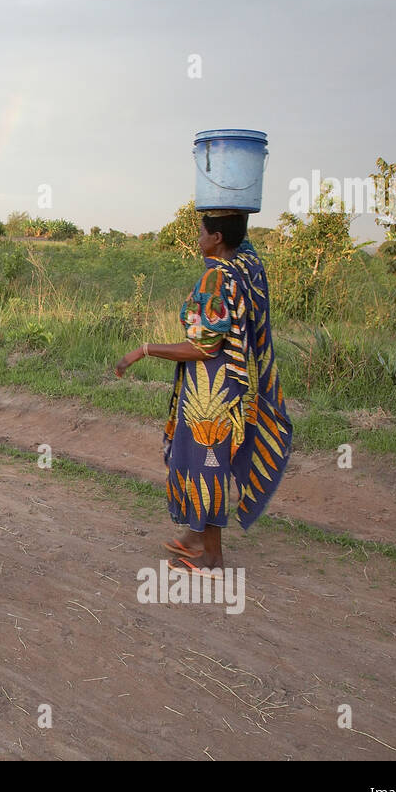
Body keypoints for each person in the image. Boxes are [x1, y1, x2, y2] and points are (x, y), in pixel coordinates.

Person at [114, 209, 291, 577]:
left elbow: (203, 347)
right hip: (230, 386)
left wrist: (142, 350)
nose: (197, 239)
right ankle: (198, 539)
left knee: (207, 466)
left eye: (202, 232)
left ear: (217, 239)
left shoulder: (216, 276)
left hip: (212, 392)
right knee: (206, 463)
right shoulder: (246, 265)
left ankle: (212, 558)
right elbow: (243, 238)